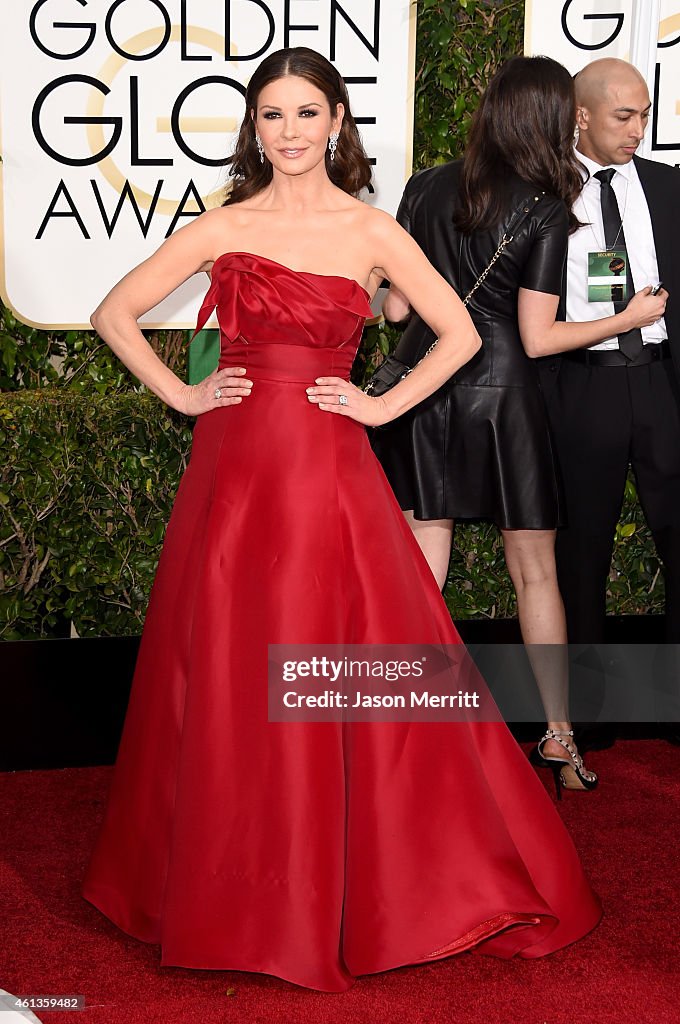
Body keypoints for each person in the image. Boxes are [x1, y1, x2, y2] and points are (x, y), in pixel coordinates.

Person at [82, 47, 601, 993]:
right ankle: (224, 882)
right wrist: (185, 394)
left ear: (337, 124)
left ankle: (344, 884)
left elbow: (460, 332)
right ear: (256, 128)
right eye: (272, 115)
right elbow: (115, 312)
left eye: (306, 113)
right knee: (232, 664)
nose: (289, 131)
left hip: (326, 473)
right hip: (233, 476)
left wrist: (378, 406)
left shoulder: (371, 229)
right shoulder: (223, 225)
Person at [371, 56, 666, 790]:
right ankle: (561, 741)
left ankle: (405, 738)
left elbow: (398, 311)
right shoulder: (545, 203)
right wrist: (626, 318)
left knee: (422, 573)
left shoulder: (423, 187)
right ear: (549, 118)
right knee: (536, 573)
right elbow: (537, 338)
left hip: (425, 393)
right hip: (504, 396)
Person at [537, 58, 680, 653]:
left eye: (644, 114)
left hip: (659, 383)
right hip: (581, 385)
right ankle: (585, 714)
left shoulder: (670, 186)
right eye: (625, 116)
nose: (637, 128)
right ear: (581, 116)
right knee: (581, 554)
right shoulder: (541, 193)